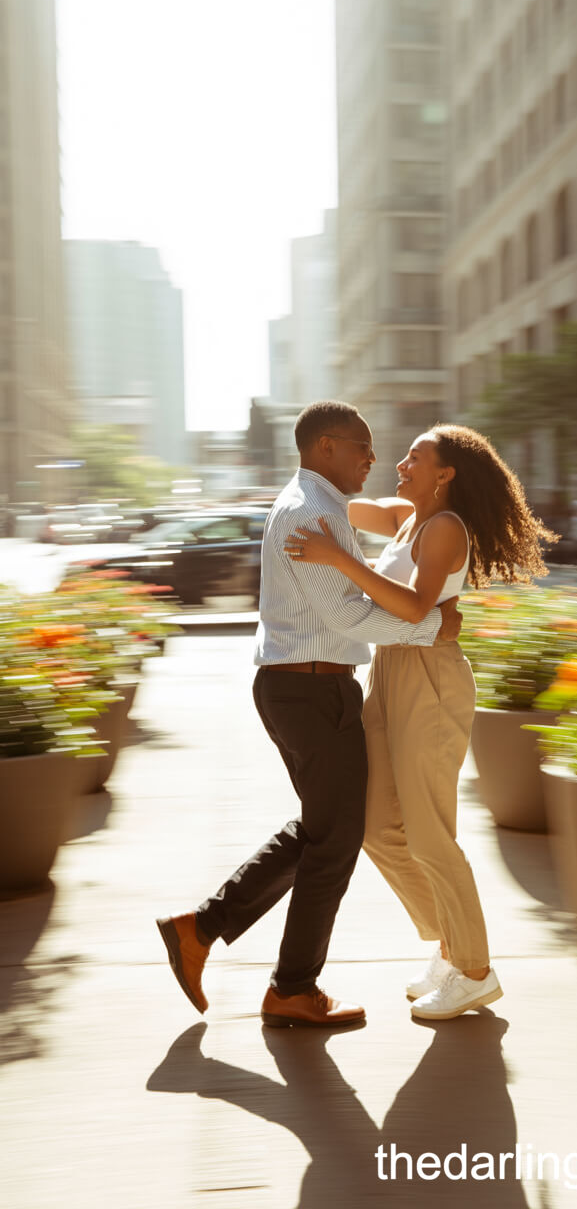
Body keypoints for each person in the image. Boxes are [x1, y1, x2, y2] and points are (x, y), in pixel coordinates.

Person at [156, 401, 461, 1029]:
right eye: (361, 446)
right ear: (326, 445)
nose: (372, 458)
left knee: (325, 829)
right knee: (337, 839)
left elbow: (358, 584)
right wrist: (432, 627)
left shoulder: (321, 505)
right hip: (311, 692)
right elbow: (347, 615)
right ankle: (291, 986)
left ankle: (201, 930)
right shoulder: (311, 513)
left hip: (307, 688)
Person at [284, 424, 554, 1020]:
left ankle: (474, 970)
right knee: (377, 825)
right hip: (389, 671)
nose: (400, 463)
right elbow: (346, 504)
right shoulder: (409, 517)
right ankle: (453, 945)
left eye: (415, 457)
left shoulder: (445, 528)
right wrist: (304, 484)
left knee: (430, 832)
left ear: (445, 473)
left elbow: (414, 607)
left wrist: (337, 558)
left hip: (431, 677)